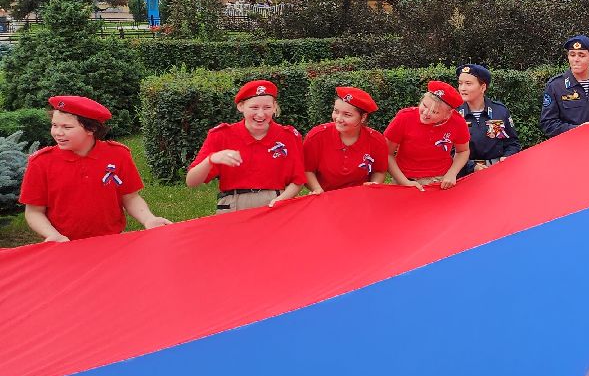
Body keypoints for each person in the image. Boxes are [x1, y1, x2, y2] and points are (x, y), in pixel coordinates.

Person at [20, 95, 171, 241]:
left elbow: (130, 197)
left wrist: (149, 219)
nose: (58, 133)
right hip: (63, 246)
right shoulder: (40, 162)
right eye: (54, 125)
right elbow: (34, 211)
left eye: (67, 127)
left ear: (91, 128)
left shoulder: (118, 155)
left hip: (110, 242)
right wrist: (53, 235)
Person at [186, 79, 306, 211]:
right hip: (234, 206)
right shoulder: (221, 135)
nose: (261, 114)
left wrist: (280, 200)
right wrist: (210, 160)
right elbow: (192, 182)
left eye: (267, 107)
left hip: (276, 203)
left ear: (274, 107)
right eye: (254, 107)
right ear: (241, 106)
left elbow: (298, 180)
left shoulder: (289, 136)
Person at [302, 86, 395, 192]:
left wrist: (374, 184)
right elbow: (307, 170)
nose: (338, 119)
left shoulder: (376, 140)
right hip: (325, 197)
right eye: (336, 111)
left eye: (347, 115)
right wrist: (317, 189)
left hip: (359, 198)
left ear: (363, 117)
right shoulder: (316, 136)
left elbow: (379, 171)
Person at [383, 80, 471, 189]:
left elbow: (463, 151)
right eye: (424, 105)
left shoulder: (457, 122)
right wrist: (404, 182)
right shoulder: (404, 117)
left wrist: (452, 174)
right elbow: (386, 153)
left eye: (434, 112)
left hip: (440, 180)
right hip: (404, 178)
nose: (425, 113)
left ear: (448, 114)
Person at [541, 35, 589, 137]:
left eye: (581, 55)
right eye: (572, 55)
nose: (576, 59)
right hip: (570, 146)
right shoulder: (556, 85)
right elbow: (548, 124)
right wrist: (576, 129)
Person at [454, 63, 521, 173]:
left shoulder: (500, 111)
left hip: (498, 171)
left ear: (483, 87)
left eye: (468, 84)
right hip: (466, 175)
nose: (462, 88)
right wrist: (472, 167)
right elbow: (449, 150)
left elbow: (513, 143)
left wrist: (508, 157)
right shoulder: (454, 114)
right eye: (460, 83)